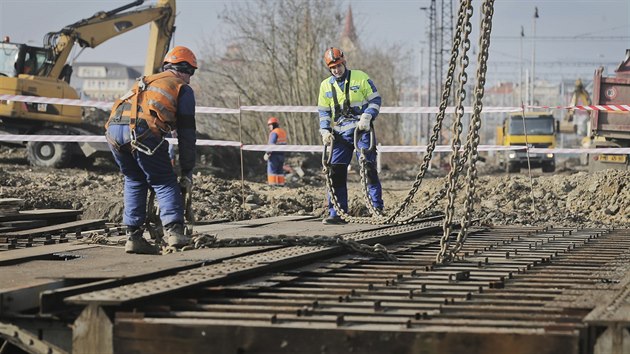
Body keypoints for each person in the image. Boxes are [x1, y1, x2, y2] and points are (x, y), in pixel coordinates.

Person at [105, 45, 198, 254]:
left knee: (134, 179)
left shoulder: (145, 81)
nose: (190, 78)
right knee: (163, 180)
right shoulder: (181, 88)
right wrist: (187, 169)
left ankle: (133, 237)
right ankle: (175, 233)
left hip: (114, 132)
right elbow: (187, 134)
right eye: (190, 72)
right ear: (184, 69)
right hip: (142, 131)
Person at [317, 47, 383, 225]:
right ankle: (337, 212)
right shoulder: (325, 86)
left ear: (344, 62)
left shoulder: (360, 78)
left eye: (339, 65)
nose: (337, 70)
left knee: (368, 168)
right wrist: (325, 130)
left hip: (361, 131)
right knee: (335, 172)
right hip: (339, 134)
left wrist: (367, 116)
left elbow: (375, 99)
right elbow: (323, 112)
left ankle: (376, 208)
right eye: (333, 68)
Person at [264, 116, 287, 186]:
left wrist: (267, 153)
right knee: (280, 171)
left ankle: (272, 185)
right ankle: (281, 184)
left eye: (270, 125)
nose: (269, 127)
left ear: (273, 125)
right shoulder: (282, 132)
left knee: (272, 171)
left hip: (274, 155)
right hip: (282, 155)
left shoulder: (274, 132)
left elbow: (271, 144)